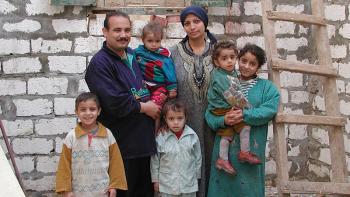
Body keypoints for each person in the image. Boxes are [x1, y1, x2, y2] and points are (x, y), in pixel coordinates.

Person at [85, 11, 160, 197]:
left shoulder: (133, 55)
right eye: (117, 30)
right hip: (122, 147)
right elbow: (114, 102)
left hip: (143, 144)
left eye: (127, 30)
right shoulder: (100, 64)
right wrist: (145, 107)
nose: (123, 35)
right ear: (105, 32)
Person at [206, 43, 280, 196]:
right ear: (238, 60)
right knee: (222, 189)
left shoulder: (267, 88)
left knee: (249, 190)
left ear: (259, 67)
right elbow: (209, 114)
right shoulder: (224, 81)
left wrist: (245, 115)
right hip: (225, 153)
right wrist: (223, 120)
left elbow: (269, 111)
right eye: (243, 61)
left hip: (251, 150)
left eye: (252, 63)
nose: (246, 66)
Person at [170, 5, 217, 195]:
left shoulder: (219, 51)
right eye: (187, 23)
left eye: (196, 21)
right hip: (183, 121)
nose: (192, 26)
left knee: (213, 161)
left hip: (213, 120)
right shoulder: (173, 53)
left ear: (205, 23)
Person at [56, 92, 127, 197]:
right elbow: (64, 166)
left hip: (102, 191)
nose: (88, 113)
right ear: (76, 112)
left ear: (99, 111)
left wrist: (113, 186)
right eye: (83, 109)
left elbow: (116, 162)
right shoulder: (71, 137)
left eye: (92, 109)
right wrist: (66, 190)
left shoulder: (108, 135)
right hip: (78, 193)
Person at [207, 40, 261, 176]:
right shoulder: (220, 76)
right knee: (243, 126)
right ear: (217, 62)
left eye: (232, 57)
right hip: (221, 109)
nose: (229, 61)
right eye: (224, 59)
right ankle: (243, 153)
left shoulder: (231, 73)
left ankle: (224, 159)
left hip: (225, 107)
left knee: (227, 134)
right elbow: (233, 96)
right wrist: (246, 108)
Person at [151, 100, 202, 197]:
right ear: (165, 119)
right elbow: (155, 161)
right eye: (171, 118)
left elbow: (198, 158)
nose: (176, 122)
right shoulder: (161, 138)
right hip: (167, 186)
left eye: (180, 118)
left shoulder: (192, 136)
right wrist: (155, 180)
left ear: (185, 118)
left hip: (188, 185)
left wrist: (196, 177)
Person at [134, 21, 177, 130]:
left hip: (159, 86)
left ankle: (155, 132)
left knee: (155, 108)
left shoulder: (163, 56)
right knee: (139, 104)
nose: (154, 44)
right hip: (143, 85)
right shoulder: (137, 52)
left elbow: (170, 72)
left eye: (157, 41)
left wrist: (172, 88)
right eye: (150, 41)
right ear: (142, 40)